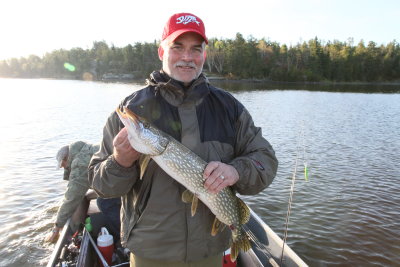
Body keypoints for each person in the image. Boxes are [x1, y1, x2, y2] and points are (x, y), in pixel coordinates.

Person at [88, 12, 278, 267]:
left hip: (208, 251)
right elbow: (102, 185)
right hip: (150, 252)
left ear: (204, 55)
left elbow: (265, 161)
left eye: (195, 49)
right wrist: (120, 161)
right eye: (177, 47)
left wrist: (236, 171)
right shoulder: (131, 108)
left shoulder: (229, 108)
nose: (187, 57)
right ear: (161, 51)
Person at [45, 141, 121, 244]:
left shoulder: (79, 164)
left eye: (63, 165)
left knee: (104, 202)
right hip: (121, 174)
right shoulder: (86, 149)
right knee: (99, 197)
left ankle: (123, 238)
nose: (64, 168)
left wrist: (57, 227)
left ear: (66, 159)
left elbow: (71, 198)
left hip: (122, 178)